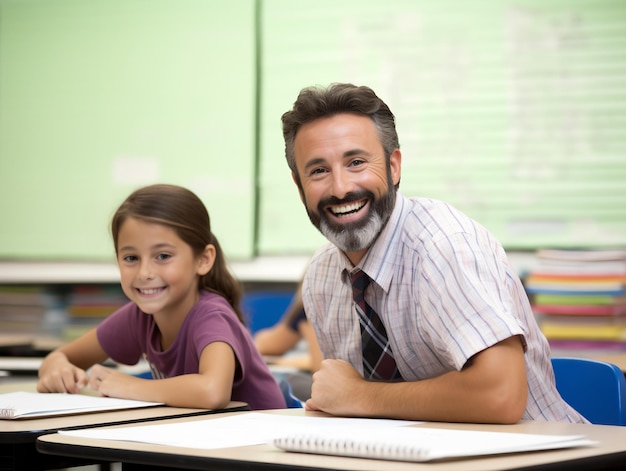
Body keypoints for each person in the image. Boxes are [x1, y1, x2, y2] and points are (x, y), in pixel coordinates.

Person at [280, 82, 587, 424]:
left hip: (542, 456)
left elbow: (501, 396)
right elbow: (352, 407)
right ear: (299, 185)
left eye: (356, 162)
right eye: (319, 170)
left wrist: (360, 395)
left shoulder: (445, 247)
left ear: (393, 166)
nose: (340, 188)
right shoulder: (322, 277)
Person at [37, 184, 286, 410]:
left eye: (163, 256)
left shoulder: (211, 317)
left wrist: (130, 387)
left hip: (260, 449)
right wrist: (57, 369)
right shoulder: (138, 318)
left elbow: (212, 392)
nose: (145, 273)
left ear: (203, 259)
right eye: (131, 258)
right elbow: (60, 357)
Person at [253, 280, 323, 373]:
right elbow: (265, 344)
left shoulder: (315, 301)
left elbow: (320, 366)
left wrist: (282, 362)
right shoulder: (305, 311)